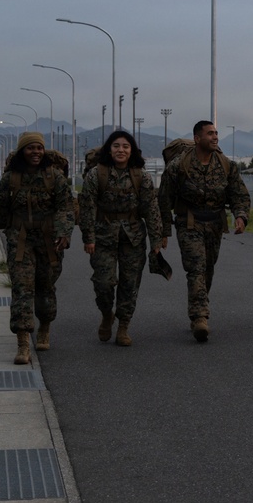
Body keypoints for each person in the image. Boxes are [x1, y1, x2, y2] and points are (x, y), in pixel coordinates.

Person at [0, 132, 75, 363]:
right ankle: (22, 343)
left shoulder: (55, 177)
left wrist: (63, 233)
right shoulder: (11, 179)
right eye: (30, 148)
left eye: (39, 148)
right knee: (22, 289)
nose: (36, 152)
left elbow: (66, 208)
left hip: (49, 241)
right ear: (22, 151)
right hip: (20, 240)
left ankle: (45, 327)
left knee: (45, 286)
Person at [158, 120, 250, 343]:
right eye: (210, 134)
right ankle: (200, 317)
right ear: (197, 138)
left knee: (208, 269)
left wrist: (240, 216)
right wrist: (163, 231)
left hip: (215, 224)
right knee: (196, 268)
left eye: (216, 133)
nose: (215, 137)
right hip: (189, 222)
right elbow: (164, 198)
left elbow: (239, 194)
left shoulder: (226, 165)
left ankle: (199, 305)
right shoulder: (179, 165)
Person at [80, 130, 163, 347]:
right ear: (109, 149)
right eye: (116, 146)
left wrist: (156, 241)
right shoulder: (96, 174)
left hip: (133, 237)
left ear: (132, 150)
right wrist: (88, 238)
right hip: (102, 236)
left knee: (130, 284)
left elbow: (151, 209)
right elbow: (87, 208)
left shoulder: (141, 176)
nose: (121, 150)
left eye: (126, 146)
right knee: (103, 282)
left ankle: (123, 325)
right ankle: (107, 314)